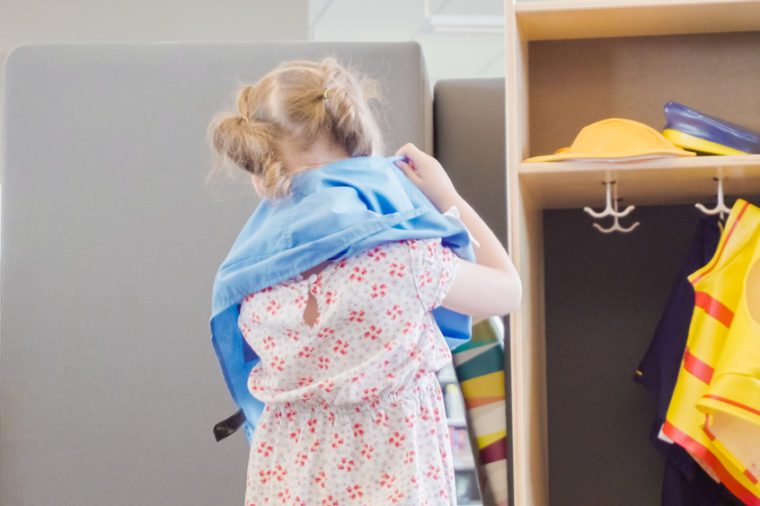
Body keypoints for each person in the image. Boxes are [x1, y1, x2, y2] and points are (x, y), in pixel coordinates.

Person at [207, 56, 521, 505]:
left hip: (288, 485)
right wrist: (446, 195)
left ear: (262, 174)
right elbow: (508, 289)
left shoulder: (248, 289)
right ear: (361, 151)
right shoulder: (406, 261)